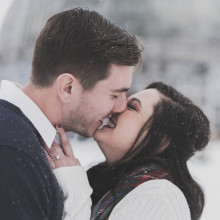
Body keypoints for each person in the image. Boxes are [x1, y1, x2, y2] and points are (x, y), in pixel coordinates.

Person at [0, 8, 143, 219]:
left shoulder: (20, 141)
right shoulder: (13, 152)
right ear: (68, 87)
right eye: (114, 95)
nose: (121, 107)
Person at [45, 82, 211, 220]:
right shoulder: (118, 187)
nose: (117, 109)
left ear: (161, 140)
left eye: (132, 107)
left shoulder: (158, 198)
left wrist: (74, 189)